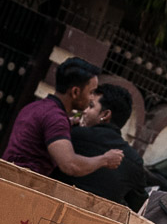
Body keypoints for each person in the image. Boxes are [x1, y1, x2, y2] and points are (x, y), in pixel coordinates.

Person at [2, 56, 123, 178]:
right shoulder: (56, 118)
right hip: (19, 185)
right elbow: (70, 165)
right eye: (91, 92)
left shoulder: (35, 107)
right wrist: (105, 159)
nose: (92, 98)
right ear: (75, 92)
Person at [61, 82, 147, 210]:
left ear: (105, 115)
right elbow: (139, 205)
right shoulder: (134, 160)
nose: (84, 111)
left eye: (91, 106)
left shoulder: (72, 136)